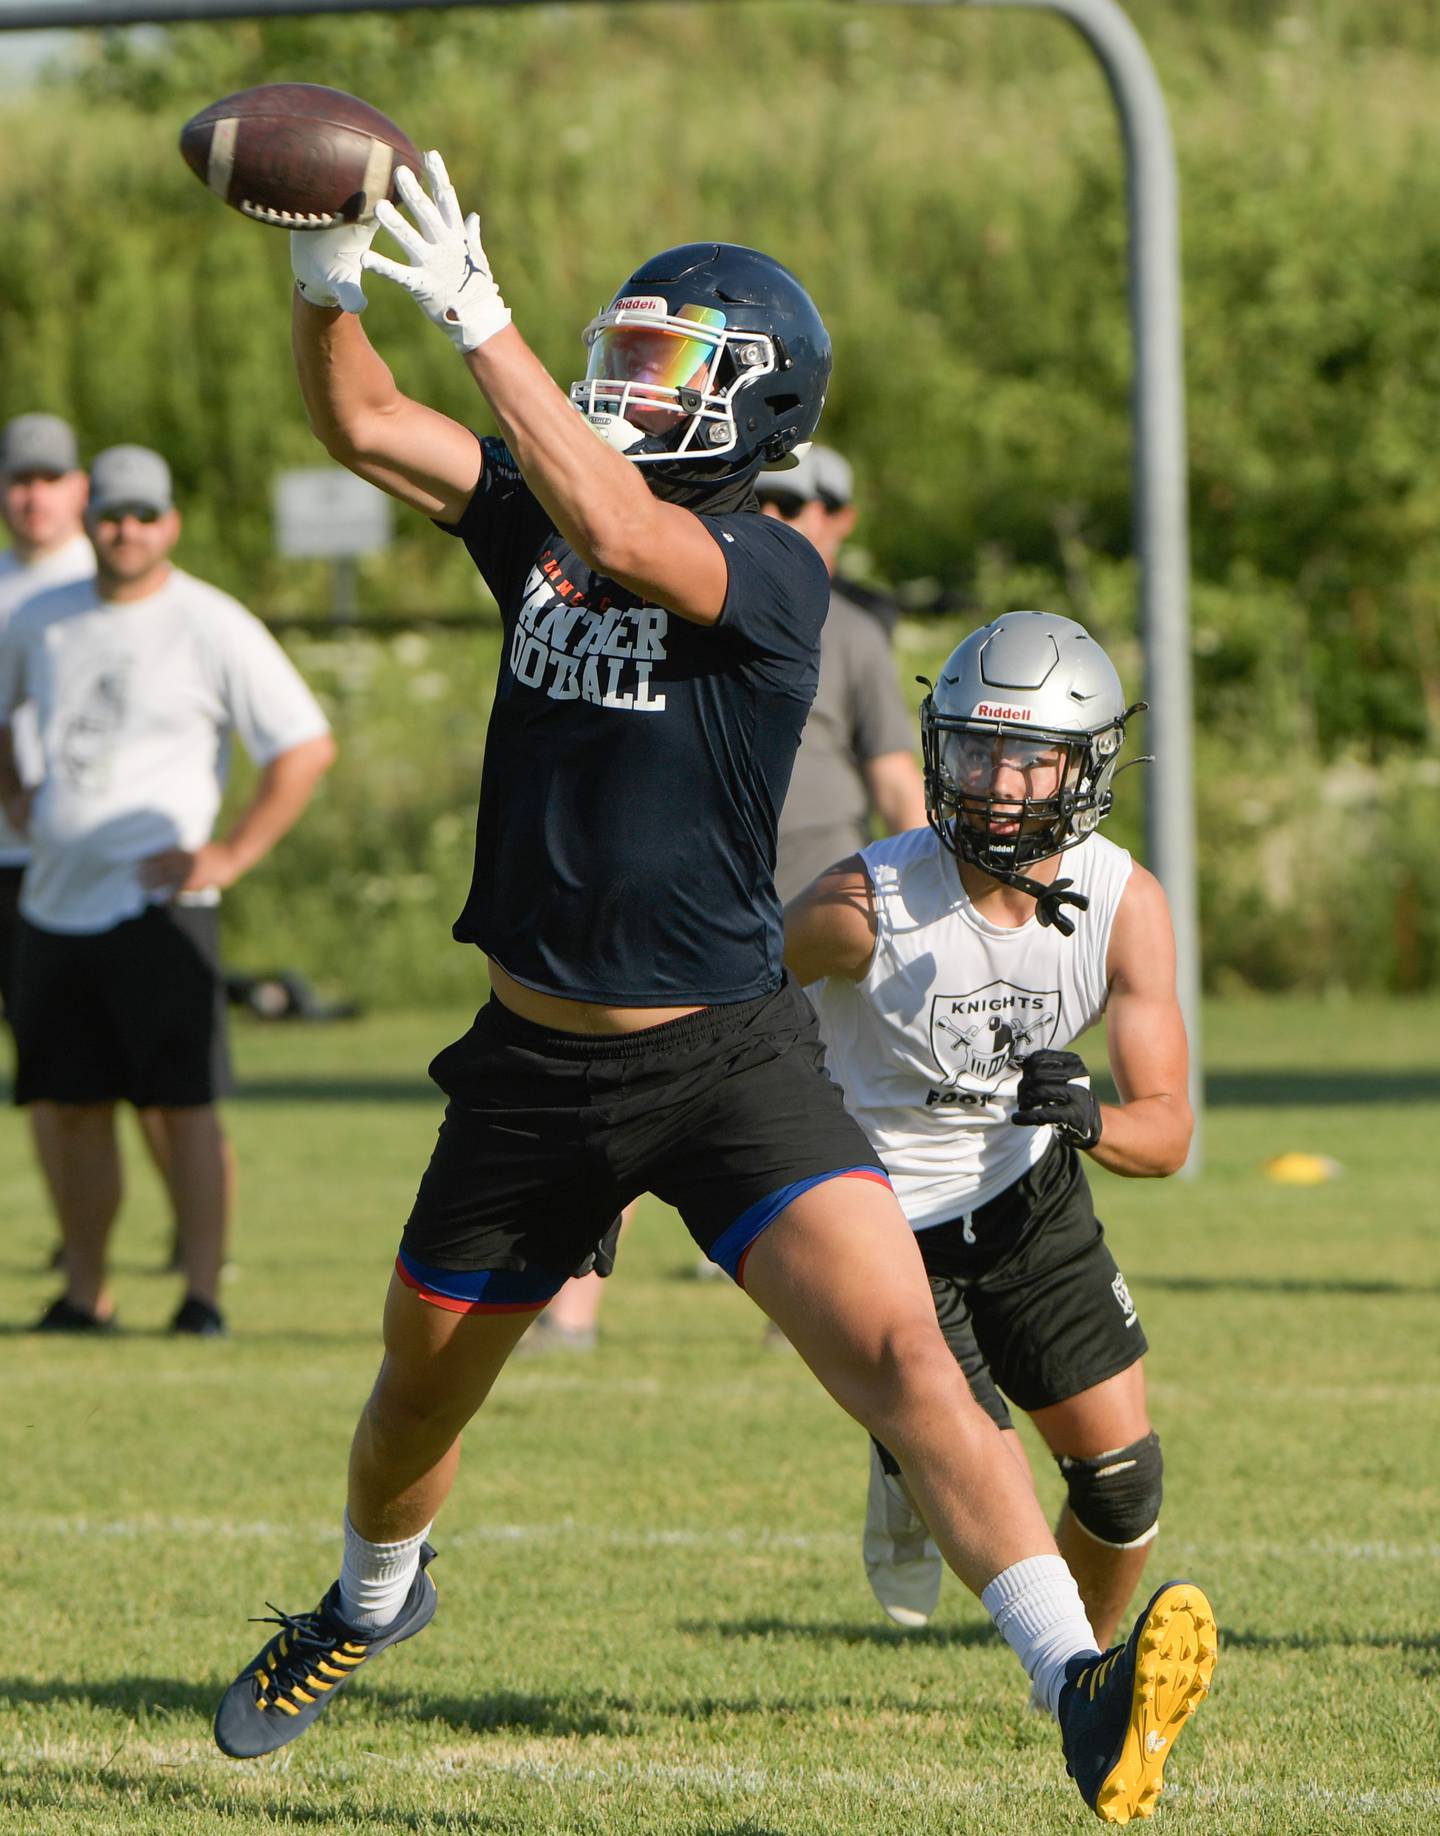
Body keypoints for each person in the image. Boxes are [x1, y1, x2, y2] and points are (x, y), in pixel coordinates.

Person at [209, 156, 1215, 1822]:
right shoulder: (549, 503)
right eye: (633, 350)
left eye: (676, 364)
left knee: (905, 1351)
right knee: (409, 1407)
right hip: (538, 1075)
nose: (635, 383)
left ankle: (1081, 1690)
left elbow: (619, 524)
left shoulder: (770, 570)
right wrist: (326, 281)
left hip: (727, 1053)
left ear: (753, 408)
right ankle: (371, 1602)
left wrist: (485, 318)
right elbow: (364, 425)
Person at [784, 610, 1187, 1658]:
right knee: (987, 1482)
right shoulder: (859, 906)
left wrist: (1092, 1117)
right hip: (880, 1223)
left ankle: (1085, 1683)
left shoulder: (1121, 901)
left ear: (1084, 769)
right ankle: (914, 1450)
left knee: (1122, 1485)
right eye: (977, 749)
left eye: (1030, 758)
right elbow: (713, 1015)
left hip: (1028, 1196)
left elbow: (1169, 1131)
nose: (998, 783)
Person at [0, 444, 336, 1336]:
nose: (127, 530)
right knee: (70, 1109)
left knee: (179, 1107)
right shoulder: (41, 617)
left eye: (145, 515)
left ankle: (200, 1295)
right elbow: (4, 716)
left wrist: (227, 853)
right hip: (53, 904)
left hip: (160, 909)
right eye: (112, 514)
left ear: (171, 524)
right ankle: (84, 1292)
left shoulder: (210, 622)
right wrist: (14, 792)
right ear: (90, 521)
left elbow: (302, 746)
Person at [0, 414, 97, 1227]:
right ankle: (75, 1239)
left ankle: (191, 1242)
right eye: (19, 479)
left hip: (95, 860)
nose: (34, 496)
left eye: (49, 478)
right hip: (13, 858)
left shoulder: (113, 575)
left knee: (156, 1080)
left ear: (80, 488)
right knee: (44, 1066)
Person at [756, 445, 927, 904]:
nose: (770, 516)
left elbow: (894, 777)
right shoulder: (692, 610)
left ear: (832, 517)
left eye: (788, 505)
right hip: (712, 892)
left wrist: (936, 892)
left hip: (820, 887)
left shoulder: (854, 630)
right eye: (755, 502)